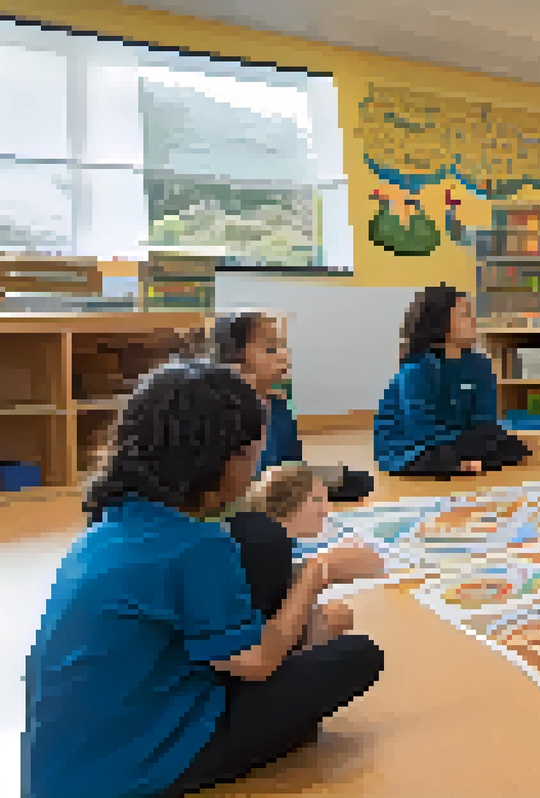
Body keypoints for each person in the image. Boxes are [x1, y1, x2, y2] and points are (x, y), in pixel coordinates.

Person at [23, 360, 386, 798]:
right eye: (252, 454)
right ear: (226, 460)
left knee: (287, 594)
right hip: (141, 768)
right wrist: (317, 573)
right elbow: (259, 663)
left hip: (65, 769)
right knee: (358, 655)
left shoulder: (114, 520)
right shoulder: (193, 544)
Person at [213, 311, 375, 504]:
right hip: (250, 491)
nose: (284, 355)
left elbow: (292, 460)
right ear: (236, 359)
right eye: (270, 349)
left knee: (358, 480)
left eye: (282, 346)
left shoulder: (279, 406)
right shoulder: (228, 409)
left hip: (283, 482)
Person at [374, 284, 531, 477]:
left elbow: (486, 418)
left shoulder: (480, 364)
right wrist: (462, 445)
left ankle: (463, 462)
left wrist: (475, 440)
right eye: (465, 314)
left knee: (512, 446)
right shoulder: (417, 367)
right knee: (434, 457)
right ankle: (462, 462)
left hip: (460, 438)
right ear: (440, 322)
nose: (474, 320)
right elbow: (421, 428)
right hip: (411, 443)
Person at [229, 464, 355, 650]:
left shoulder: (257, 535)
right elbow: (271, 642)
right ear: (284, 506)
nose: (326, 511)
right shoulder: (267, 548)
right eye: (317, 500)